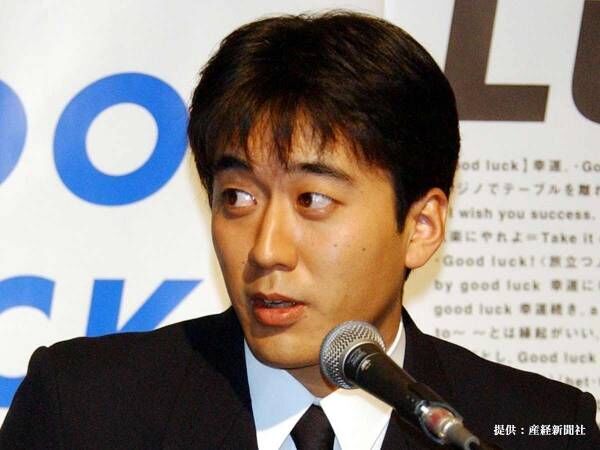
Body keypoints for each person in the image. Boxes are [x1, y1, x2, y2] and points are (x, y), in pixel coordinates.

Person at [1, 11, 598, 450]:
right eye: (237, 197)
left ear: (421, 226)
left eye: (313, 200)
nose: (266, 250)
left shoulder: (536, 426)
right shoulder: (83, 411)